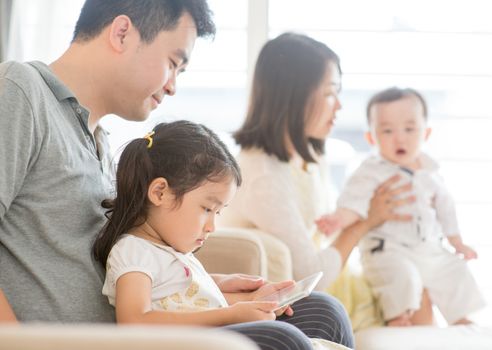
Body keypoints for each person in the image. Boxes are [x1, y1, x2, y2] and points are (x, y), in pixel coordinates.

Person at [0, 1, 353, 349]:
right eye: (173, 64)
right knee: (284, 340)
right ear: (122, 33)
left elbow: (122, 267)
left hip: (141, 328)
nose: (172, 87)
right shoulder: (20, 91)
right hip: (87, 339)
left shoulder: (100, 143)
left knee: (323, 312)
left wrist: (210, 289)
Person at [219, 32, 434, 330]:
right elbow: (312, 274)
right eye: (331, 92)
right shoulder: (263, 175)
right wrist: (367, 221)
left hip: (338, 282)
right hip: (309, 303)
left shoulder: (306, 155)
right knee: (412, 295)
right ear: (297, 95)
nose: (339, 106)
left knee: (420, 284)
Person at [93, 120, 351, 350]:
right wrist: (232, 315)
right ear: (160, 192)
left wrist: (250, 298)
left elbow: (182, 299)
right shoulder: (133, 251)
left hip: (213, 333)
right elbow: (135, 323)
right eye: (207, 209)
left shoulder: (170, 250)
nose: (212, 226)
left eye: (218, 213)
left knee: (325, 310)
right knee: (282, 338)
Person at [316, 87, 485, 326]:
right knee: (402, 277)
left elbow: (445, 207)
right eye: (387, 130)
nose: (400, 138)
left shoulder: (431, 171)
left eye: (409, 129)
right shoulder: (371, 171)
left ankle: (461, 319)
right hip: (388, 250)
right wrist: (338, 219)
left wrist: (456, 241)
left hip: (427, 248)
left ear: (425, 133)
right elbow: (354, 201)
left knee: (453, 269)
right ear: (371, 138)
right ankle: (398, 316)